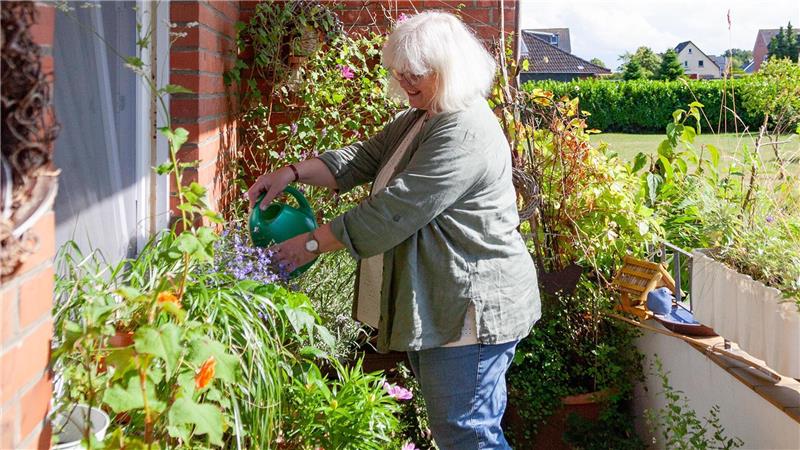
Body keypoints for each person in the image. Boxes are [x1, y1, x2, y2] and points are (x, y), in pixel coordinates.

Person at [247, 11, 540, 450]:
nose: (404, 82)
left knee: (468, 433)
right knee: (459, 430)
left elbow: (393, 211)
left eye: (415, 73)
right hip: (443, 304)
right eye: (399, 72)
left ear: (449, 68)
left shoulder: (464, 130)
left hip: (470, 308)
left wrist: (309, 244)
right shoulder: (423, 117)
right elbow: (363, 158)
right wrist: (291, 172)